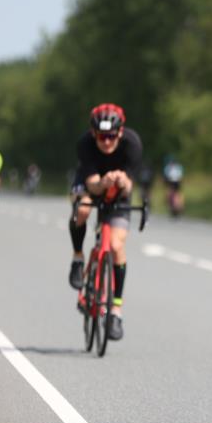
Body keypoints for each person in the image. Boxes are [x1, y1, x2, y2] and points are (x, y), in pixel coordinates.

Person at [67, 103, 143, 342]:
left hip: (119, 192)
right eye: (102, 136)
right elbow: (91, 184)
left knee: (117, 246)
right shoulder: (85, 145)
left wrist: (120, 182)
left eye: (111, 136)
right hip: (92, 183)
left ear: (120, 133)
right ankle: (78, 258)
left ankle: (115, 311)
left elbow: (130, 186)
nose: (107, 142)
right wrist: (103, 183)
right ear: (93, 134)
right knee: (82, 211)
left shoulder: (132, 144)